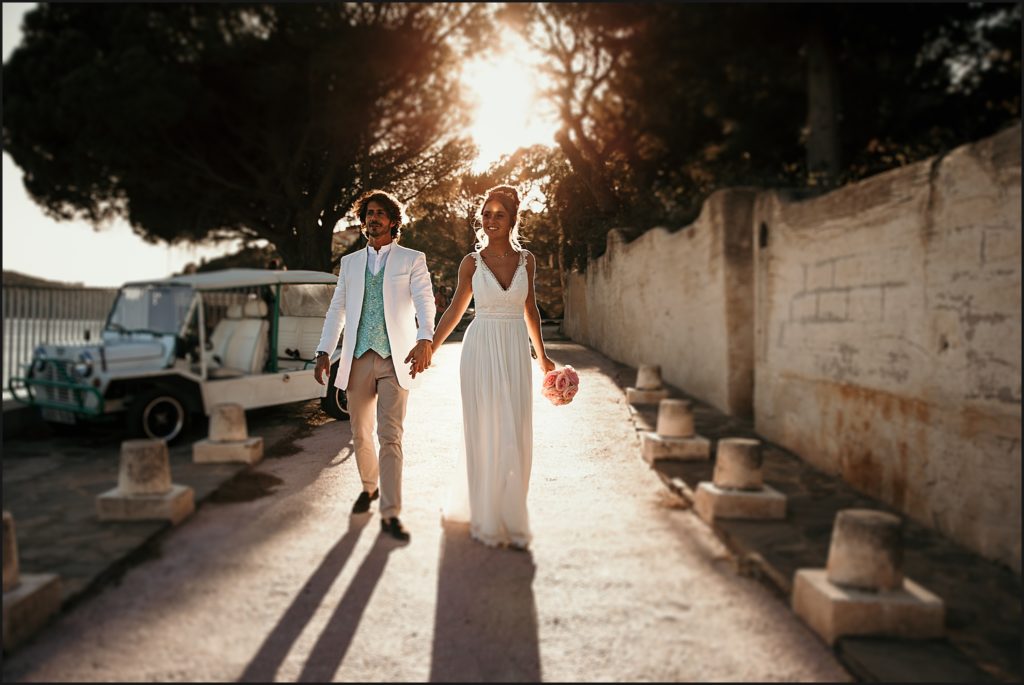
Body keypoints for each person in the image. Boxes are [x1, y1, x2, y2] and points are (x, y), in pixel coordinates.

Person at [430, 185, 555, 550]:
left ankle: (509, 512)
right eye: (487, 214)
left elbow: (530, 310)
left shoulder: (527, 260)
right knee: (486, 428)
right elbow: (455, 309)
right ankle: (485, 514)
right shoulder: (471, 263)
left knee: (513, 429)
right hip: (480, 348)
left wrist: (542, 357)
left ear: (512, 219)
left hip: (515, 347)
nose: (491, 220)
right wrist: (431, 347)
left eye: (499, 214)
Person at [314, 189, 436, 542]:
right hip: (356, 359)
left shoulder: (412, 259)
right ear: (363, 218)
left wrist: (425, 338)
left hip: (395, 359)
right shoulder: (350, 264)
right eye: (369, 212)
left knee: (391, 437)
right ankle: (370, 488)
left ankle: (391, 513)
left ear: (394, 221)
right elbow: (337, 309)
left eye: (381, 213)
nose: (373, 217)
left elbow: (424, 301)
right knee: (358, 433)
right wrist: (324, 350)